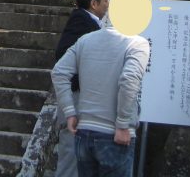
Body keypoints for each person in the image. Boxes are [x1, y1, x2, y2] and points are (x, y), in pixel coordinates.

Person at [52, 15, 150, 177]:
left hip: (84, 133)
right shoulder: (137, 43)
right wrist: (123, 123)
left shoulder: (85, 40)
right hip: (115, 136)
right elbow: (128, 79)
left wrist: (70, 112)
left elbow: (59, 72)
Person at [54, 0, 108, 177]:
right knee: (70, 156)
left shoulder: (89, 22)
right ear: (94, 4)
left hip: (82, 99)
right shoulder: (81, 22)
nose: (107, 4)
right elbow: (62, 58)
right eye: (105, 0)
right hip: (75, 98)